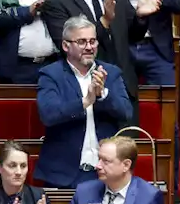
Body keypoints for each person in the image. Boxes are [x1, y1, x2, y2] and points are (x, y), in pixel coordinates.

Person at [43, 0, 147, 116]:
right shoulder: (56, 2)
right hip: (84, 91)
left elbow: (133, 35)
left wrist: (140, 16)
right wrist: (104, 21)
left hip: (123, 88)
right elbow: (68, 48)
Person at [34, 17, 135, 189]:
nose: (89, 47)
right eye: (81, 42)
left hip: (104, 172)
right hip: (63, 173)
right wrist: (85, 101)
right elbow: (48, 114)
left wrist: (102, 94)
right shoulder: (51, 75)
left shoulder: (110, 73)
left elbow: (126, 112)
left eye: (92, 41)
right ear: (66, 46)